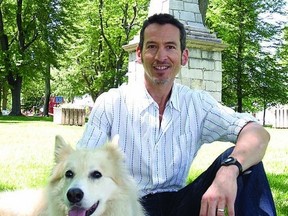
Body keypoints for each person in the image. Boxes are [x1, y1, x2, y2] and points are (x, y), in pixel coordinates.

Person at [77, 13, 276, 216]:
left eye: (170, 47)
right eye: (152, 46)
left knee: (246, 165)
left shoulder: (197, 104)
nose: (161, 57)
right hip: (127, 206)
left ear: (184, 56)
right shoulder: (112, 103)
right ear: (139, 53)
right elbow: (80, 166)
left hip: (180, 204)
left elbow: (257, 133)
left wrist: (230, 169)